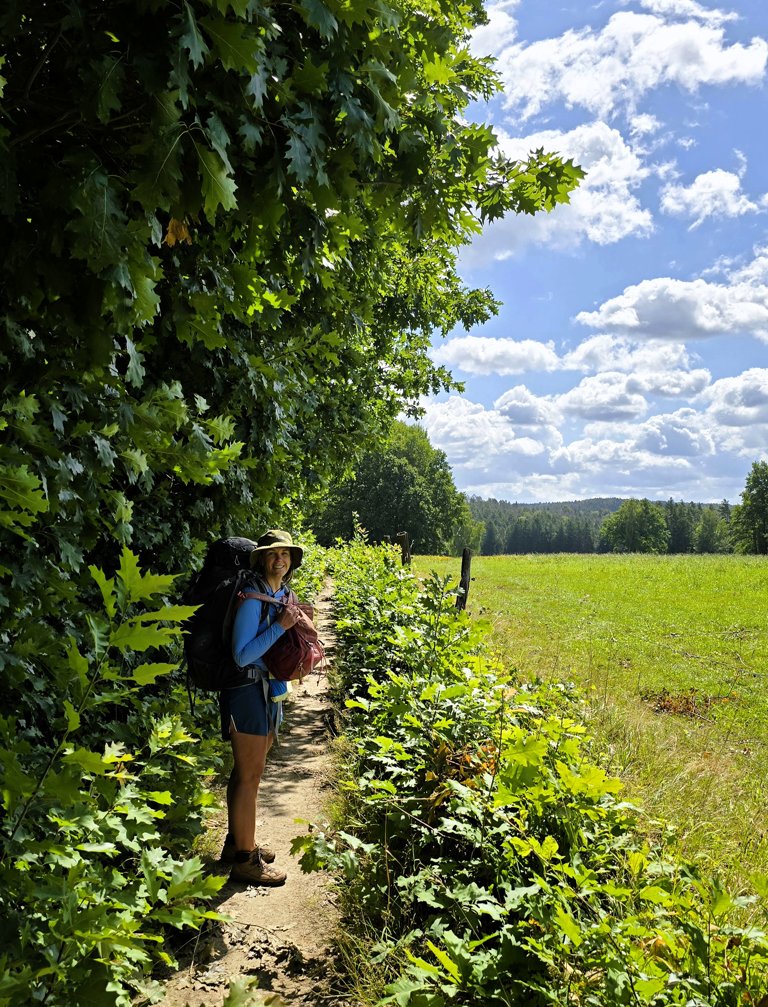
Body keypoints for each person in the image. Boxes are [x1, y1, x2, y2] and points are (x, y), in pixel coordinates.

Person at [218, 529, 303, 886]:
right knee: (249, 777)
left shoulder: (280, 594)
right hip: (245, 689)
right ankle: (245, 861)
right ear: (261, 559)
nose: (279, 559)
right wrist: (282, 627)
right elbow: (241, 655)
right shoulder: (253, 599)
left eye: (285, 553)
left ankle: (237, 841)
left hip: (265, 691)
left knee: (246, 773)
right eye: (272, 554)